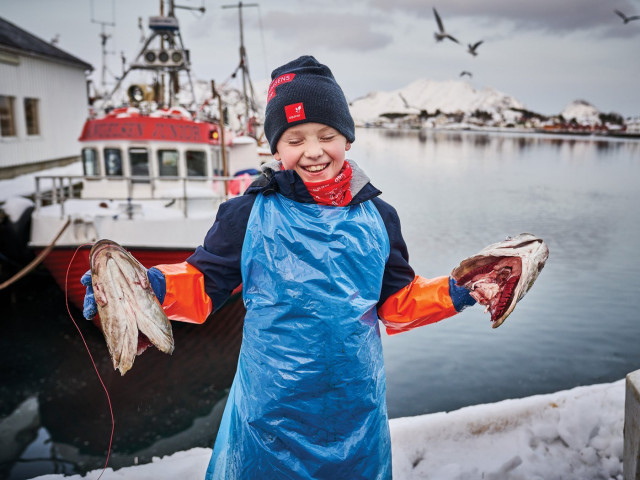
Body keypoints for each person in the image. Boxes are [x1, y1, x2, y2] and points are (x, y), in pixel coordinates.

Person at [82, 55, 476, 479]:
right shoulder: (247, 213)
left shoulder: (380, 217)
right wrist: (150, 287)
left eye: (327, 135)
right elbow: (201, 285)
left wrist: (461, 288)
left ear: (347, 139)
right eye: (294, 139)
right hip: (269, 415)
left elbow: (397, 304)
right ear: (275, 147)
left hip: (354, 409)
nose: (312, 151)